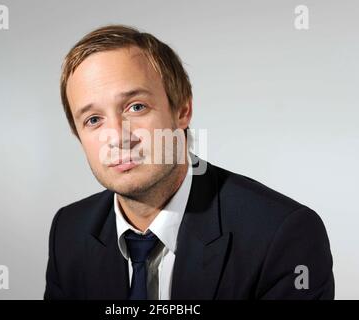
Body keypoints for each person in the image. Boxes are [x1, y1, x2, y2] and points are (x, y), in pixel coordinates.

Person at [44, 24, 334, 300]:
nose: (117, 137)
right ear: (78, 135)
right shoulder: (68, 232)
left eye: (136, 107)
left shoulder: (282, 236)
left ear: (182, 110)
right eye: (93, 120)